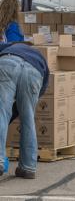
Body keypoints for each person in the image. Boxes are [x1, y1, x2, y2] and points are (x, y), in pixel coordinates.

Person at [0, 43, 49, 179]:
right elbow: (42, 88)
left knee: (2, 113)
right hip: (35, 71)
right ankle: (28, 168)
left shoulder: (5, 48)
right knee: (28, 119)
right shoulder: (36, 54)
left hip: (8, 63)